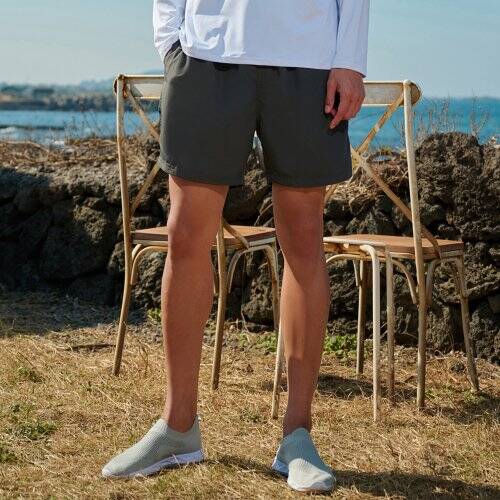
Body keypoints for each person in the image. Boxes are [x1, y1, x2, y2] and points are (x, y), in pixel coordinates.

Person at [102, 0, 369, 493]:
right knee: (185, 235)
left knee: (304, 241)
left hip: (307, 57)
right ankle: (178, 427)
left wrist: (349, 59)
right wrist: (172, 44)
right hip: (207, 55)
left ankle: (297, 436)